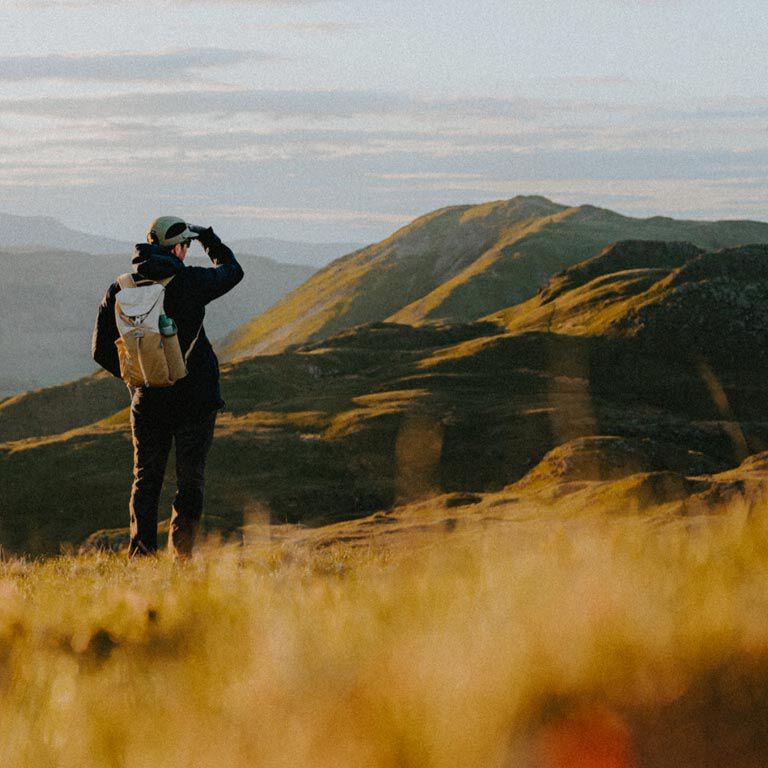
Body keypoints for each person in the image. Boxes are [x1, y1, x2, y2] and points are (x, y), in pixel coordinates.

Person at [92, 216, 244, 558]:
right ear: (176, 248)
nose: (187, 251)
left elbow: (100, 350)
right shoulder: (191, 281)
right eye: (186, 245)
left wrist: (139, 375)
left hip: (148, 400)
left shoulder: (120, 288)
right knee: (189, 481)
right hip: (195, 400)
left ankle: (142, 555)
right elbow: (233, 271)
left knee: (146, 480)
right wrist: (209, 239)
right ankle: (182, 557)